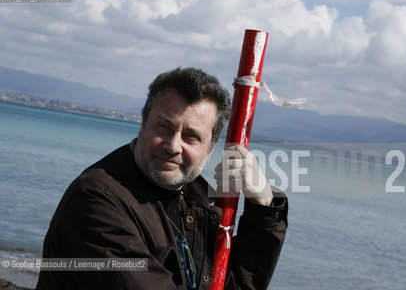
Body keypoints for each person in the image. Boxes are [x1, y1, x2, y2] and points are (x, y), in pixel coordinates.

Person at [36, 67, 288, 290]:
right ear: (142, 125)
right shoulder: (95, 201)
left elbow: (237, 284)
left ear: (210, 149)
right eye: (163, 127)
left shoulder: (197, 200)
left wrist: (263, 206)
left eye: (191, 136)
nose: (172, 145)